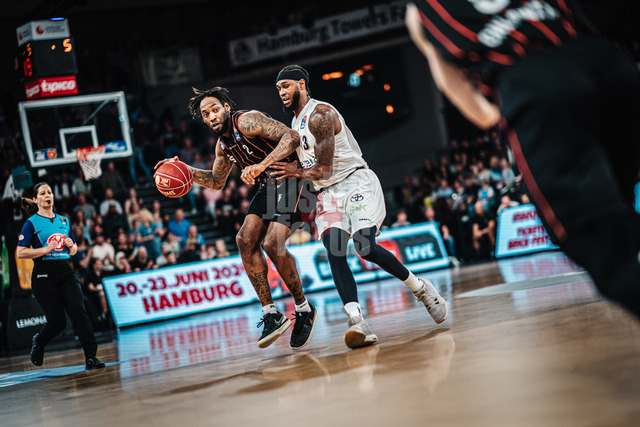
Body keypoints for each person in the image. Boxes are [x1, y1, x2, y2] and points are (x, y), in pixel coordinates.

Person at [405, 1, 640, 317]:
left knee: (600, 248)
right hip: (605, 61)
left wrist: (502, 109)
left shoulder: (420, 11)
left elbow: (471, 104)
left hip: (535, 82)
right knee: (621, 216)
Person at [242, 65, 448, 349]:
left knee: (365, 247)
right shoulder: (295, 123)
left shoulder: (321, 115)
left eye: (286, 86)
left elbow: (324, 169)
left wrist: (294, 172)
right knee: (335, 248)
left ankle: (421, 288)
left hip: (355, 182)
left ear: (301, 84)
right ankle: (357, 320)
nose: (282, 92)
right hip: (327, 193)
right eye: (278, 88)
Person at [154, 86, 318, 350]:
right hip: (269, 185)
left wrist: (262, 165)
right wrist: (184, 170)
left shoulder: (247, 120)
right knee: (244, 239)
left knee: (271, 243)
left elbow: (292, 137)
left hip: (295, 178)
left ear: (226, 107)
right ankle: (271, 313)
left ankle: (304, 308)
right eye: (206, 114)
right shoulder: (223, 146)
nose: (211, 117)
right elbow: (217, 181)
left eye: (215, 109)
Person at [17, 183, 105, 370]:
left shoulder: (64, 221)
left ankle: (91, 357)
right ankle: (39, 341)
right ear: (36, 200)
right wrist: (44, 249)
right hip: (43, 274)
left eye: (49, 192)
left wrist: (71, 246)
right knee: (58, 322)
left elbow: (73, 251)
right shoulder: (31, 223)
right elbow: (21, 252)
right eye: (43, 193)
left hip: (65, 270)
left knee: (79, 311)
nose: (47, 195)